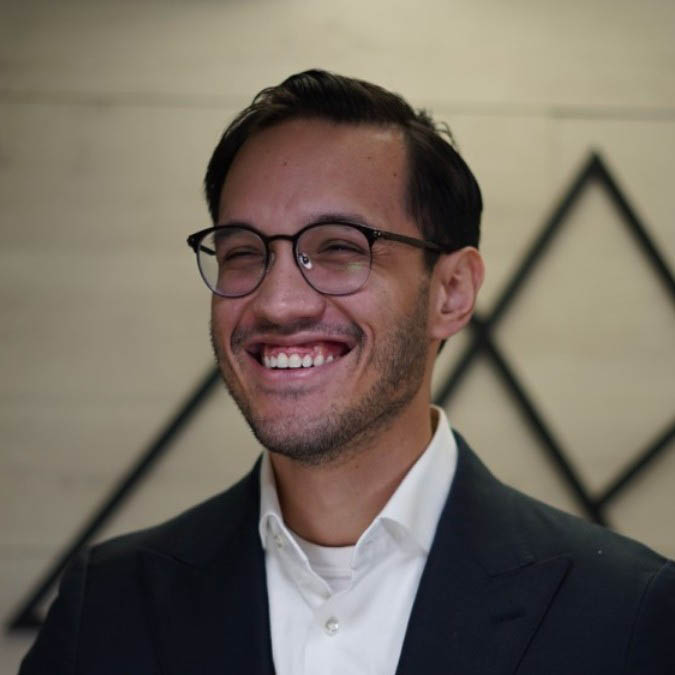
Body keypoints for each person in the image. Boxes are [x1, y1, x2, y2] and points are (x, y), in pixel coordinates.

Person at [20, 70, 675, 674]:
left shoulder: (625, 612)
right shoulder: (105, 606)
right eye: (242, 252)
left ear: (451, 291)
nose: (277, 303)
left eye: (338, 248)